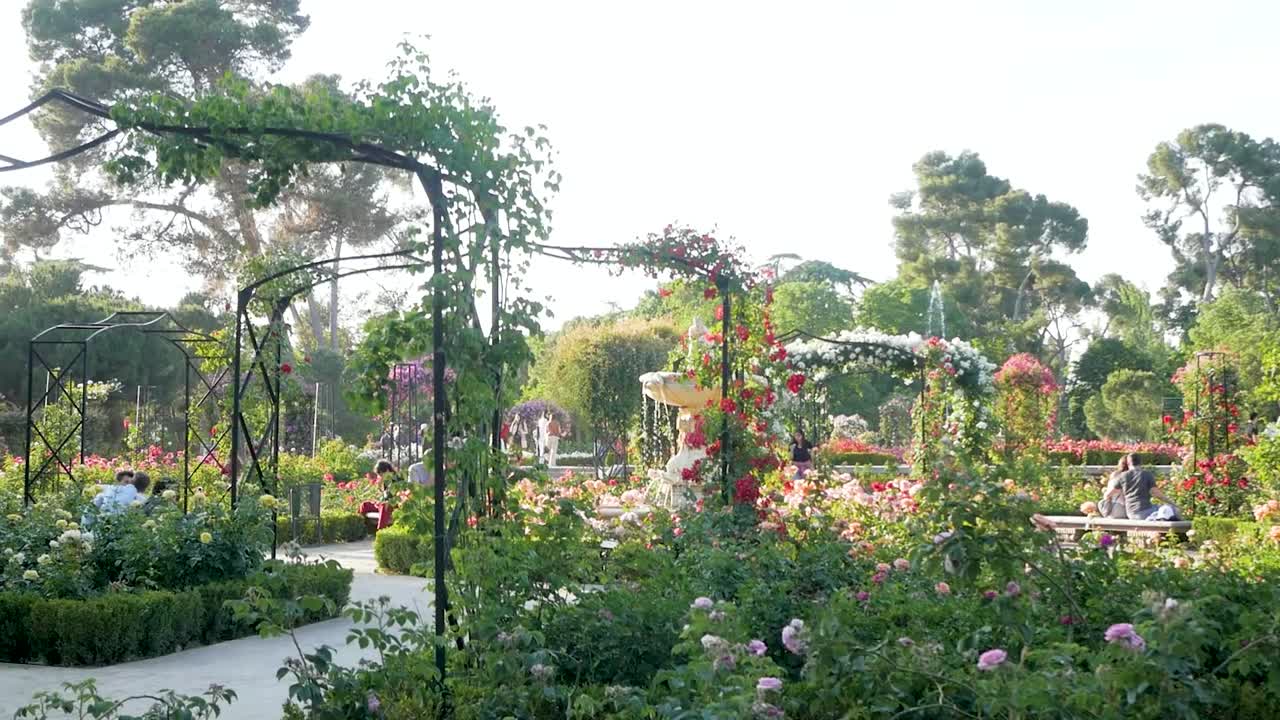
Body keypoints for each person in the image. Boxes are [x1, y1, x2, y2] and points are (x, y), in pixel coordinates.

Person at [1105, 453, 1179, 521]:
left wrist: (1108, 508)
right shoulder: (1147, 474)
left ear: (1128, 463)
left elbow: (1108, 495)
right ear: (1141, 463)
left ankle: (1155, 518)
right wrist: (1173, 503)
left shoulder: (1122, 476)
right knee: (1169, 509)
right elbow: (1157, 494)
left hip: (1131, 513)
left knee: (1160, 510)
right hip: (1145, 511)